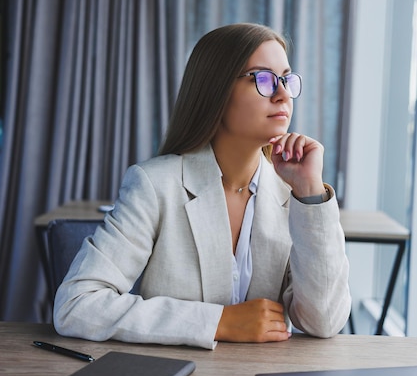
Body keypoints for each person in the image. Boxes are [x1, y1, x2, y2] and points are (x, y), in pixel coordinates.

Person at [54, 23, 351, 349]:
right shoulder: (155, 185)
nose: (282, 94)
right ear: (217, 90)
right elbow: (76, 305)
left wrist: (310, 194)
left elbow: (323, 321)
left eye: (286, 79)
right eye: (264, 79)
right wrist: (218, 321)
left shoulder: (291, 193)